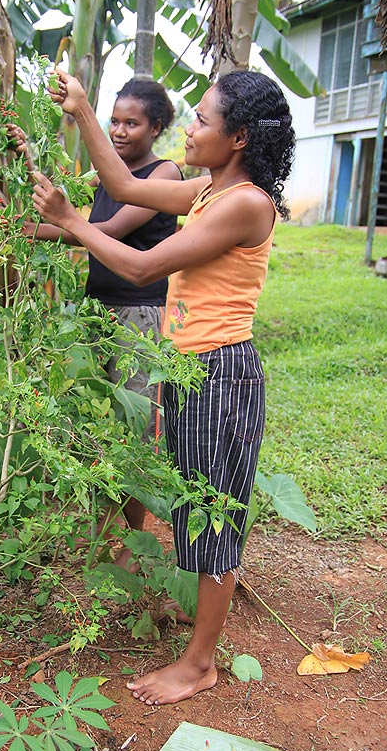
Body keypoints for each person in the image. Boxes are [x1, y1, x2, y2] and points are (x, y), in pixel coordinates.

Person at [31, 67, 295, 707]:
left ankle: (201, 661)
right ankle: (197, 629)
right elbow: (124, 184)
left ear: (236, 137)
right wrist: (82, 111)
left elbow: (144, 263)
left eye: (203, 120)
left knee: (213, 514)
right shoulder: (210, 191)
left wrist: (73, 221)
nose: (191, 129)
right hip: (190, 369)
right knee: (193, 506)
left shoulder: (246, 202)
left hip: (220, 374)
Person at [12, 79, 183, 555]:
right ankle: (108, 534)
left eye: (133, 123)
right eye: (114, 121)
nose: (120, 131)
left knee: (135, 428)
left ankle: (134, 543)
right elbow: (58, 196)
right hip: (96, 311)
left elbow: (103, 230)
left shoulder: (164, 175)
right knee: (97, 423)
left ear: (157, 127)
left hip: (139, 317)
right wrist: (23, 155)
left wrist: (39, 230)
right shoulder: (105, 172)